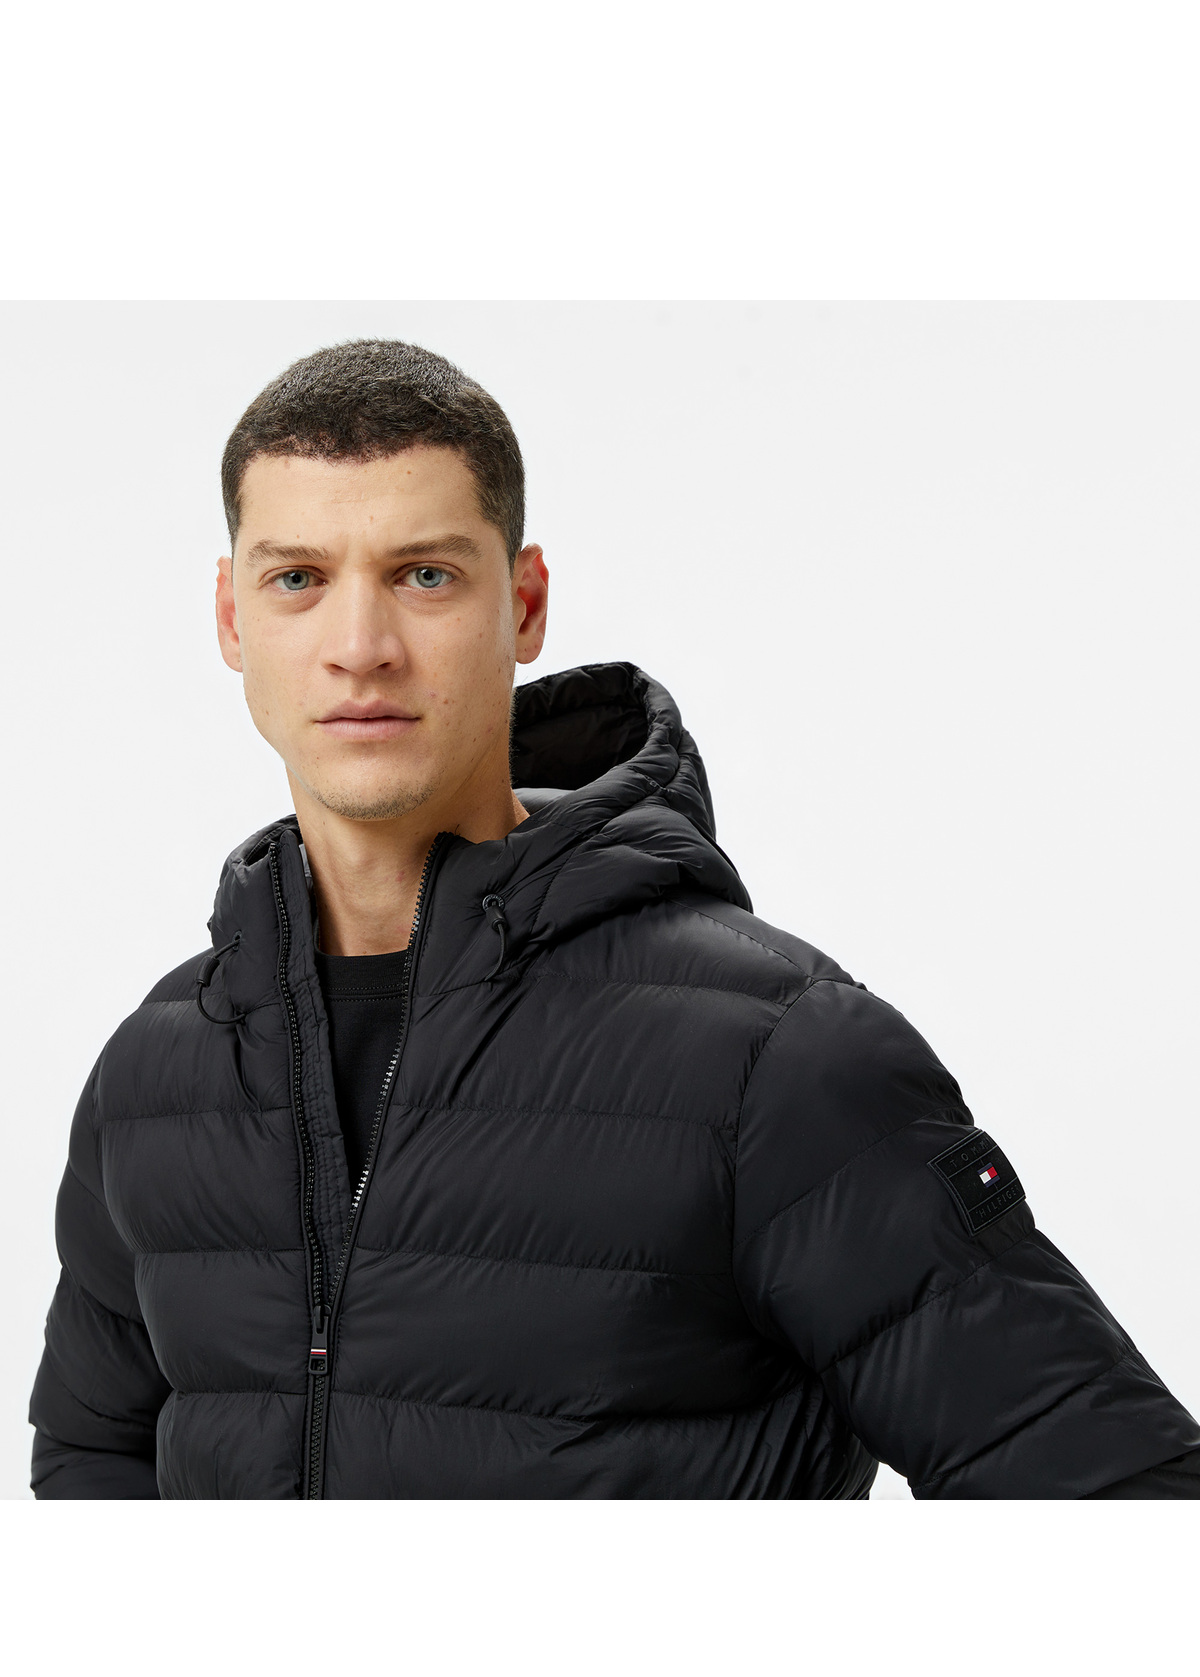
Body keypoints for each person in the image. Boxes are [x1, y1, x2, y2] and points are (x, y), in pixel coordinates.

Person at [29, 338, 1200, 1500]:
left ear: (525, 605)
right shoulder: (156, 1078)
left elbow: (1119, 1491)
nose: (360, 649)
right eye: (298, 580)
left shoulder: (776, 1060)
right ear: (232, 619)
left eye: (425, 576)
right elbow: (88, 1480)